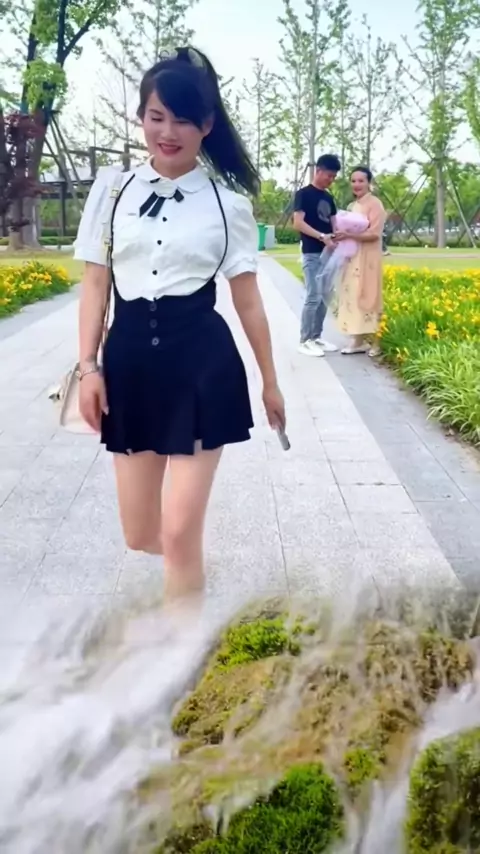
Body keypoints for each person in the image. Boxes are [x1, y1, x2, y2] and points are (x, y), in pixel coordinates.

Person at [74, 46, 285, 608]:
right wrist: (89, 367)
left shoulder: (227, 205)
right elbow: (95, 284)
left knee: (179, 532)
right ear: (141, 117)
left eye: (183, 120)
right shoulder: (111, 192)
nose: (168, 133)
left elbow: (249, 302)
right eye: (156, 117)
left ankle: (180, 644)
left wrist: (270, 381)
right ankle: (185, 576)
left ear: (207, 125)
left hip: (201, 366)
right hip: (129, 366)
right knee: (141, 534)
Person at [292, 154, 341, 357]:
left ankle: (316, 336)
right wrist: (322, 236)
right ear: (318, 171)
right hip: (311, 252)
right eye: (329, 175)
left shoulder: (329, 198)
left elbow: (334, 223)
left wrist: (337, 236)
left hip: (328, 253)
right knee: (313, 295)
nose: (331, 180)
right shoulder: (303, 194)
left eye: (334, 177)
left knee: (325, 296)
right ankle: (304, 340)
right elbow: (298, 223)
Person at [335, 166, 386, 355]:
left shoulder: (375, 204)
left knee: (369, 295)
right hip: (352, 257)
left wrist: (349, 234)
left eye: (361, 181)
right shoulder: (351, 206)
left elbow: (374, 233)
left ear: (369, 183)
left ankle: (376, 342)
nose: (356, 184)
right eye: (353, 181)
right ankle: (357, 340)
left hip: (368, 258)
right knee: (352, 296)